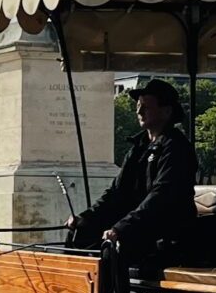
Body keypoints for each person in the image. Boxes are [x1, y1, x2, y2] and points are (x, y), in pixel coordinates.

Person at [71, 79, 198, 272]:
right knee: (78, 235)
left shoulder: (177, 148)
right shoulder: (138, 148)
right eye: (138, 107)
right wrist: (85, 218)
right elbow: (116, 192)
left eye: (146, 107)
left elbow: (161, 197)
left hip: (168, 230)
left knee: (114, 249)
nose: (139, 112)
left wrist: (122, 228)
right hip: (140, 225)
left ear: (166, 111)